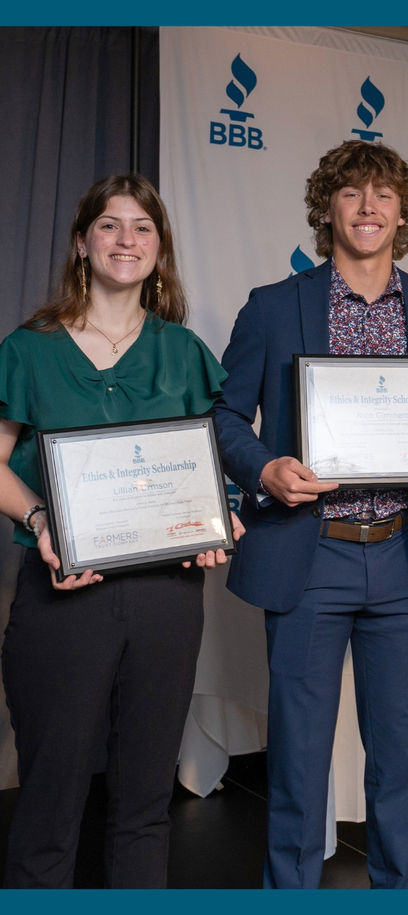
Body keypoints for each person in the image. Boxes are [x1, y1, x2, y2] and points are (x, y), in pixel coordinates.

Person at [213, 140, 408, 889]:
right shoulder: (274, 307)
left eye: (384, 195)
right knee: (299, 758)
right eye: (352, 194)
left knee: (397, 756)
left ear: (403, 213)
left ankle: (392, 891)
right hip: (310, 553)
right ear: (326, 208)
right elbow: (226, 416)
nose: (369, 208)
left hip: (402, 555)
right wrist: (263, 467)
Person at [0, 174, 239, 887]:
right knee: (50, 800)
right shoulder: (29, 348)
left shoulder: (183, 350)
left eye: (142, 227)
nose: (125, 240)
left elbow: (200, 465)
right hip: (63, 596)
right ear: (82, 242)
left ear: (159, 248)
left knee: (144, 802)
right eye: (109, 225)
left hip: (167, 597)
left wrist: (214, 516)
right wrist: (39, 518)